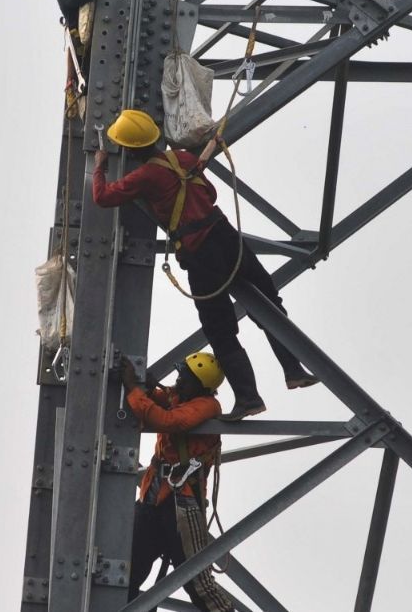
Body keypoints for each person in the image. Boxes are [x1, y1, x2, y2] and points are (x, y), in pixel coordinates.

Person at [92, 110, 318, 421]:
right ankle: (294, 369)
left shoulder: (145, 177)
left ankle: (249, 398)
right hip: (226, 236)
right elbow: (210, 192)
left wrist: (100, 165)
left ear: (129, 149)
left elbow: (102, 197)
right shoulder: (183, 158)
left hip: (200, 252)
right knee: (270, 303)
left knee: (220, 330)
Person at [122, 352, 235, 612]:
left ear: (200, 386)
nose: (178, 382)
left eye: (185, 378)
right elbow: (159, 401)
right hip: (155, 497)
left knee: (198, 584)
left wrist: (132, 388)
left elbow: (168, 420)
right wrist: (146, 388)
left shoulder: (206, 406)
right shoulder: (180, 396)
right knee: (128, 569)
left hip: (182, 503)